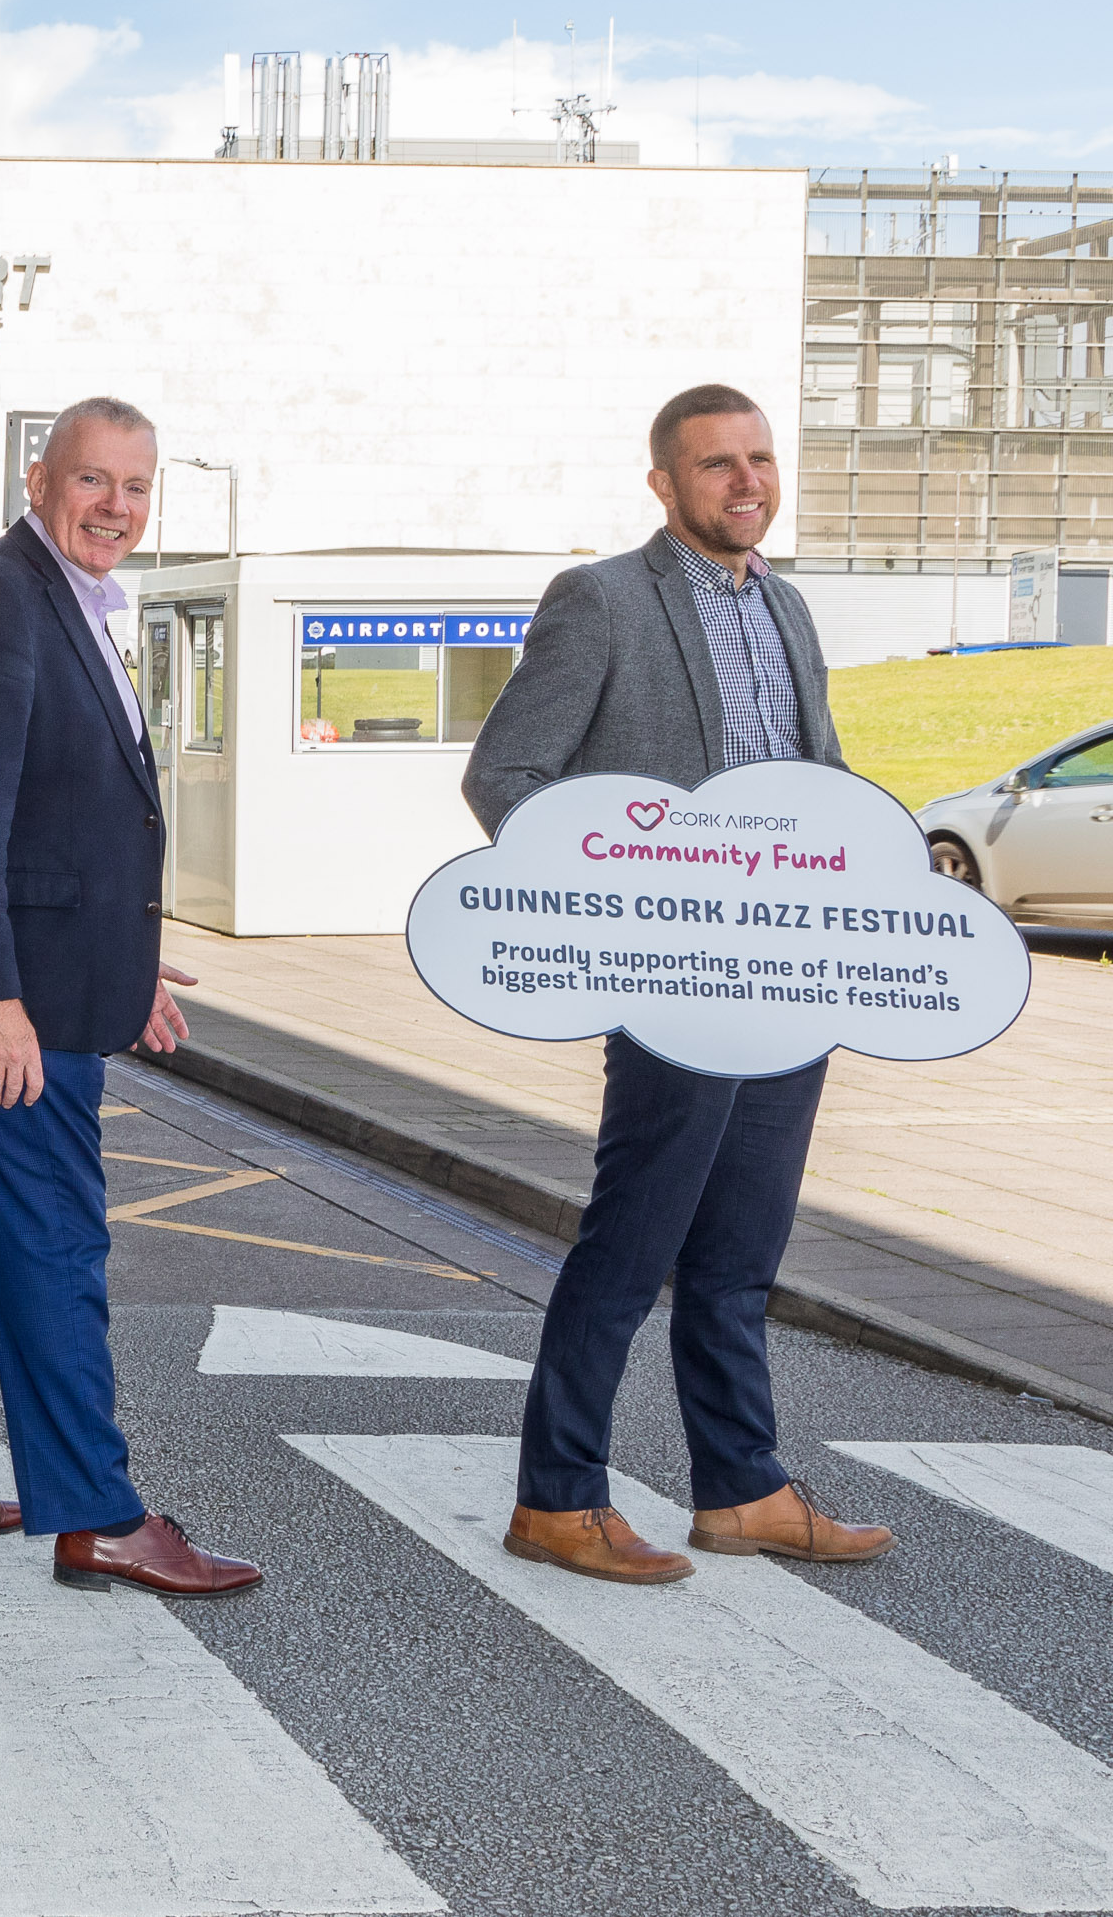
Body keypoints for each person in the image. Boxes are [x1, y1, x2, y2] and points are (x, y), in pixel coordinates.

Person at [464, 383, 891, 1585]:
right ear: (665, 482)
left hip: (793, 982)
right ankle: (557, 1497)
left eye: (759, 458)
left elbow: (821, 775)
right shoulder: (602, 601)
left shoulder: (792, 605)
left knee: (741, 1254)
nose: (746, 481)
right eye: (717, 464)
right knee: (633, 1242)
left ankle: (742, 1485)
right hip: (675, 988)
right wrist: (630, 905)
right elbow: (508, 775)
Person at [0, 397, 254, 1597]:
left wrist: (125, 972)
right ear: (40, 477)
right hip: (17, 1004)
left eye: (136, 485)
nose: (115, 505)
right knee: (57, 1243)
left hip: (61, 980)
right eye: (93, 479)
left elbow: (71, 814)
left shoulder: (68, 599)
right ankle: (98, 1511)